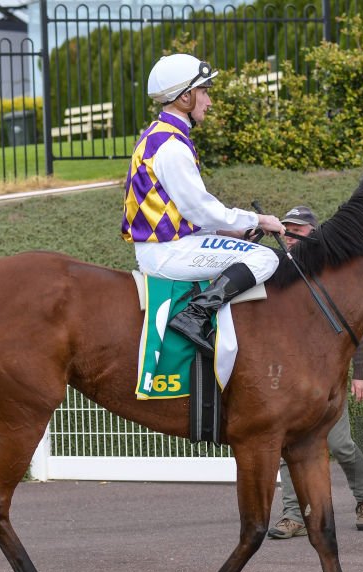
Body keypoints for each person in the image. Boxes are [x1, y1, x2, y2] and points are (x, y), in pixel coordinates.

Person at [122, 54, 285, 355]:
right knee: (266, 260)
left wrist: (231, 233)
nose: (209, 101)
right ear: (186, 97)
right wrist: (258, 220)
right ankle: (195, 316)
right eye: (205, 92)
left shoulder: (162, 135)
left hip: (171, 244)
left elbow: (184, 212)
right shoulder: (171, 146)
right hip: (168, 253)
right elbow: (200, 208)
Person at [267, 206, 363, 539]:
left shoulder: (330, 276)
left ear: (313, 234)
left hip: (327, 379)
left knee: (340, 444)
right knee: (288, 445)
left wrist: (361, 373)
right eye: (286, 229)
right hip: (290, 378)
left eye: (297, 230)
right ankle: (293, 515)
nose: (289, 235)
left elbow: (353, 327)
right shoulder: (274, 270)